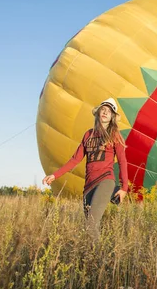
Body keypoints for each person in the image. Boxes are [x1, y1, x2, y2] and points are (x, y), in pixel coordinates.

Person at [43, 98, 129, 235]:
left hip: (105, 180)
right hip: (89, 185)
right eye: (103, 110)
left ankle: (97, 256)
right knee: (89, 225)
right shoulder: (88, 135)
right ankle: (93, 253)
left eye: (109, 111)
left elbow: (122, 161)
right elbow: (75, 159)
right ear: (98, 113)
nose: (105, 112)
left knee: (91, 223)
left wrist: (124, 188)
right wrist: (55, 175)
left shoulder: (115, 135)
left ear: (113, 116)